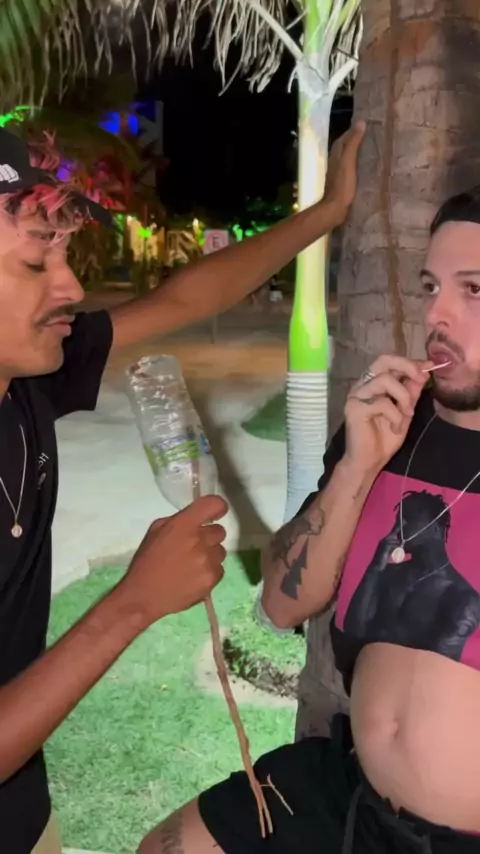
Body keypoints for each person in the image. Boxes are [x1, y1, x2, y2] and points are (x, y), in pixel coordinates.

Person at [0, 119, 364, 854]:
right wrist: (134, 601)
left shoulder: (26, 386)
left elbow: (184, 300)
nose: (71, 287)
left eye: (64, 256)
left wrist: (326, 214)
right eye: (37, 262)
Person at [137, 188, 480, 854]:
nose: (437, 314)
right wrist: (356, 467)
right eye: (431, 286)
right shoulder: (389, 430)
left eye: (474, 290)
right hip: (352, 796)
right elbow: (281, 602)